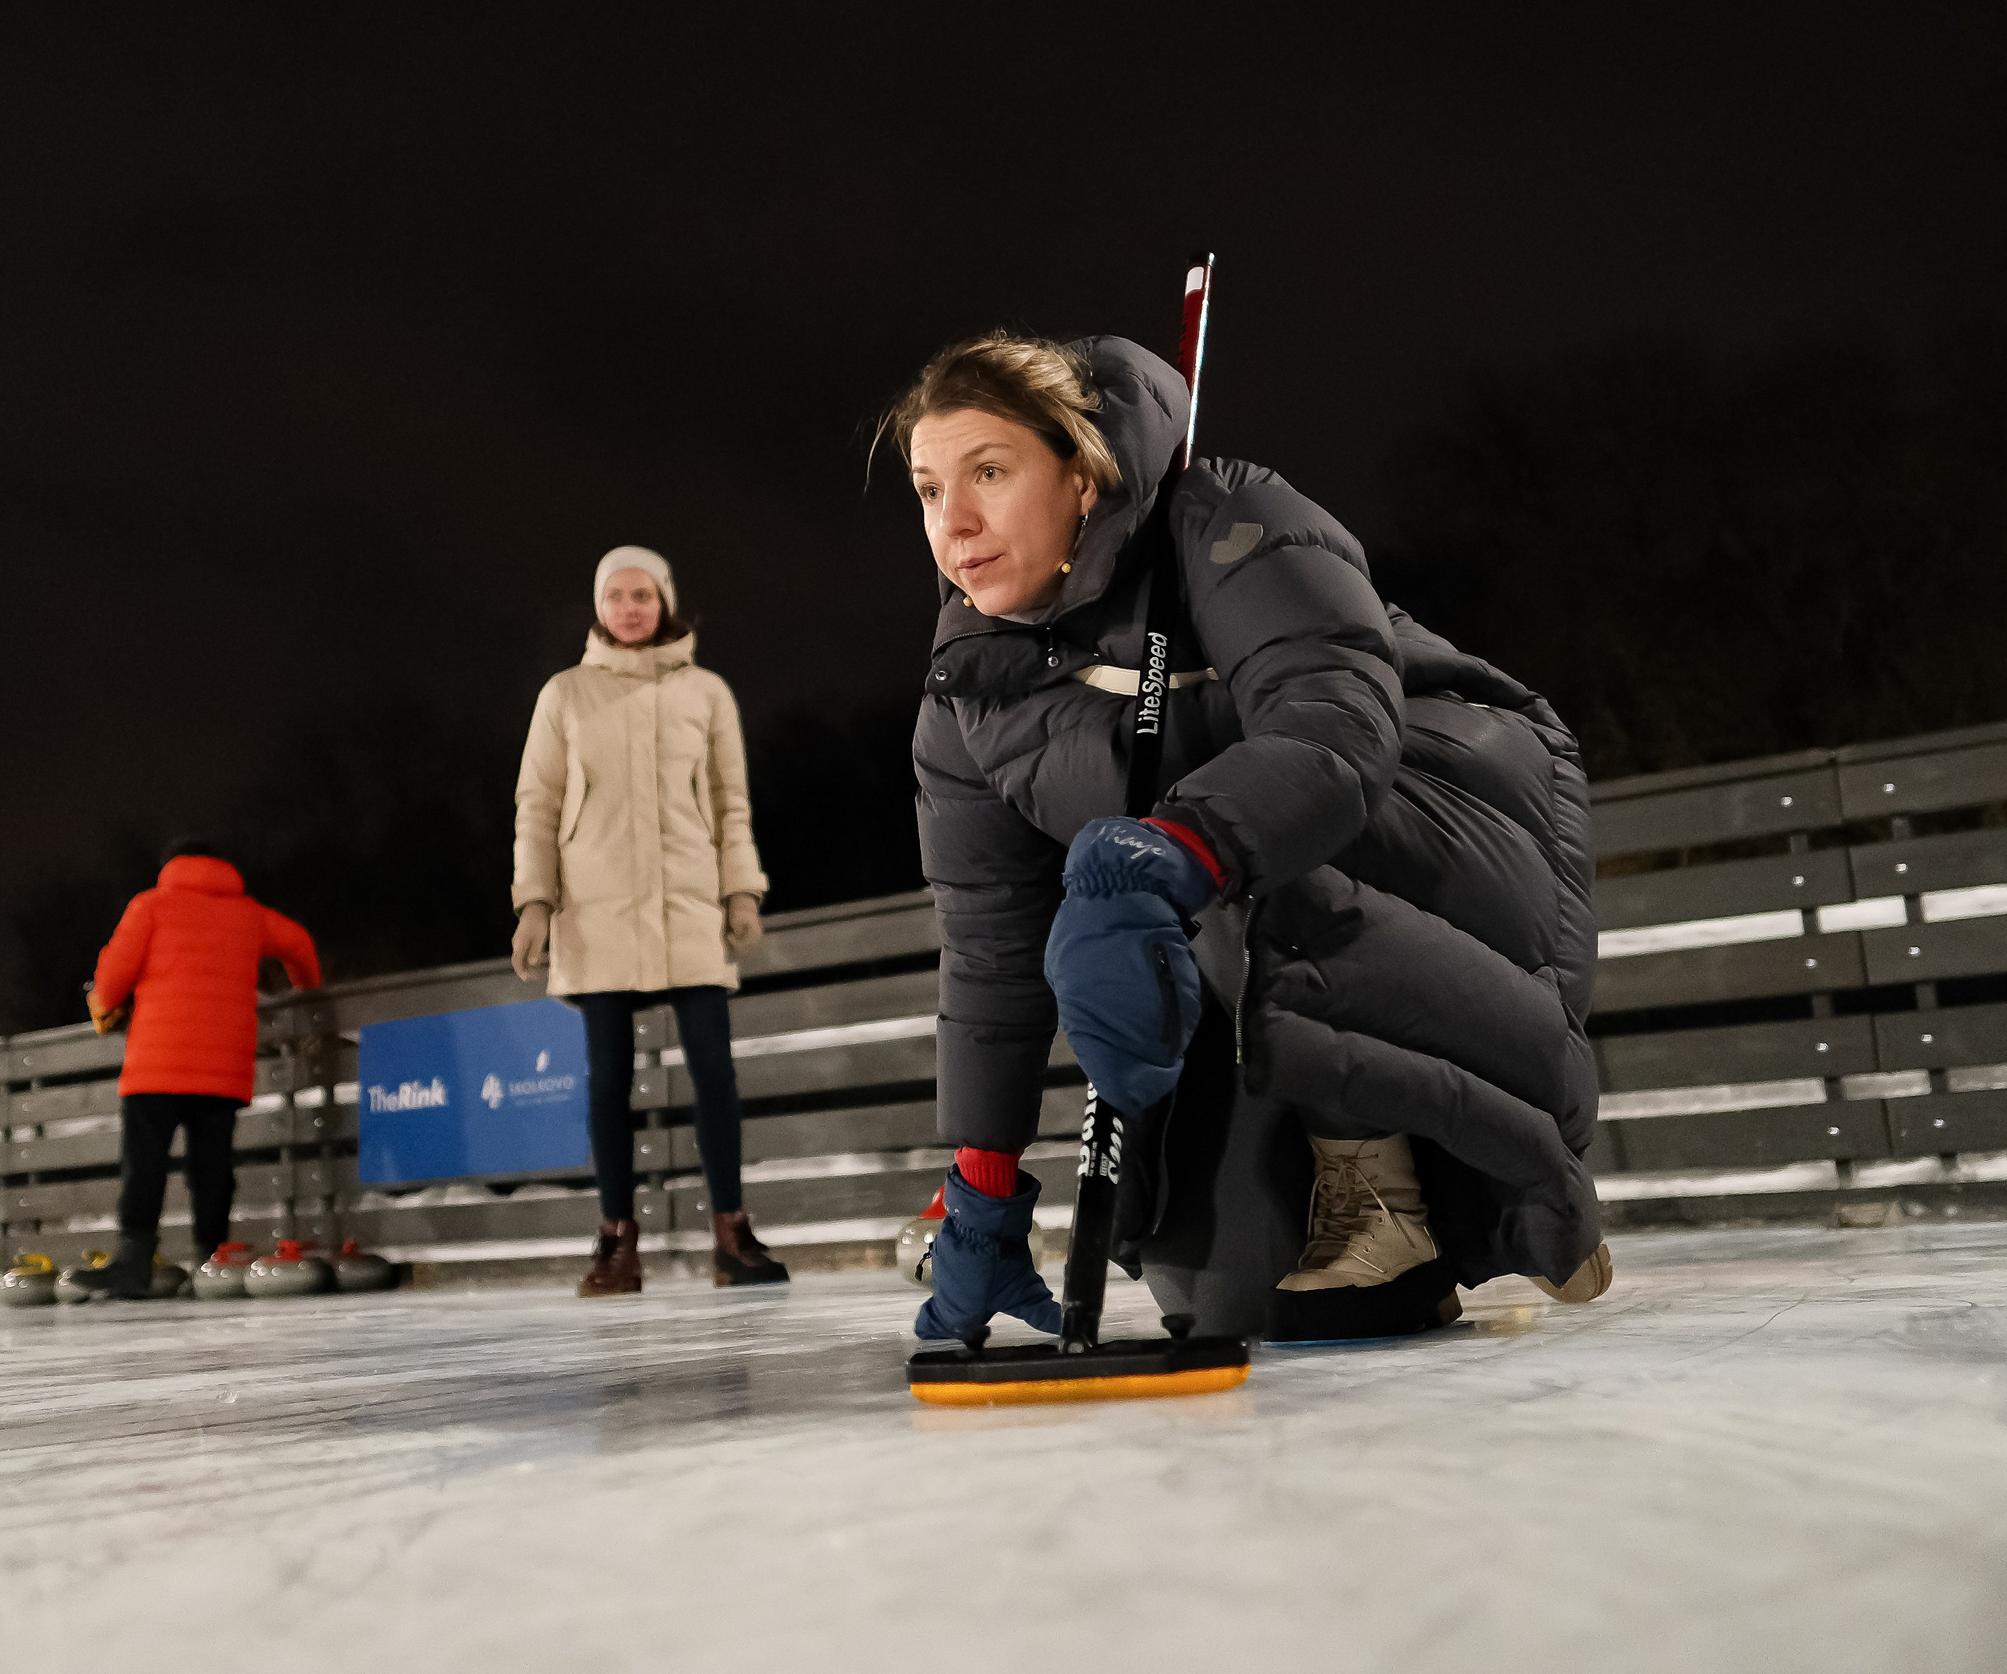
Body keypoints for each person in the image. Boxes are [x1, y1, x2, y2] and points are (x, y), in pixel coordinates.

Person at [892, 331, 1612, 1347]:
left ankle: (1454, 1184)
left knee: (1233, 835)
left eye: (989, 473)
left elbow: (1334, 730)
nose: (954, 521)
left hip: (1436, 804)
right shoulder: (966, 692)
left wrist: (1163, 857)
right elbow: (990, 948)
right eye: (928, 490)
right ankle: (1385, 1192)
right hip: (1229, 911)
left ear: (1082, 473)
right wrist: (982, 1189)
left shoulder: (1224, 519)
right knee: (1226, 1292)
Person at [511, 545, 788, 1296]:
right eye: (615, 596)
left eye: (642, 595)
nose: (628, 608)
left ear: (664, 600)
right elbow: (537, 803)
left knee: (715, 1073)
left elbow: (730, 801)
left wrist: (741, 890)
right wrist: (534, 900)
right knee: (609, 1081)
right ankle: (616, 1242)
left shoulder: (705, 692)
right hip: (595, 907)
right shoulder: (565, 694)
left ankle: (731, 1232)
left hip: (687, 902)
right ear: (598, 606)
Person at [70, 841, 322, 1299]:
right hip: (222, 1067)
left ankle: (134, 1262)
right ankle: (211, 1264)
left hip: (157, 1063)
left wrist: (104, 998)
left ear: (170, 866)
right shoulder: (250, 915)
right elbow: (300, 944)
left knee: (145, 1163)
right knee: (212, 1167)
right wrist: (308, 997)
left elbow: (111, 983)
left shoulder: (150, 906)